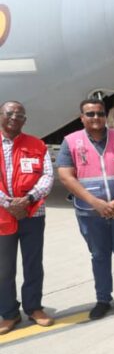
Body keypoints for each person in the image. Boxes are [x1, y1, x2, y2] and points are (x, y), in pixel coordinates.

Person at [57, 99, 114, 320]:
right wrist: (95, 203)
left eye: (99, 113)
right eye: (90, 114)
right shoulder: (71, 141)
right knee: (99, 256)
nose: (96, 118)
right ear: (82, 118)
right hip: (90, 213)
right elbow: (66, 176)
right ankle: (103, 300)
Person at [0, 101, 54, 334]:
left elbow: (47, 176)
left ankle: (34, 307)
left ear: (25, 120)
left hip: (33, 213)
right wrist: (8, 203)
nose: (15, 117)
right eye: (10, 113)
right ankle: (8, 313)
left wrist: (28, 199)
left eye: (20, 114)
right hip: (2, 215)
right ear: (0, 115)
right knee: (3, 267)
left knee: (33, 263)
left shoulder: (37, 144)